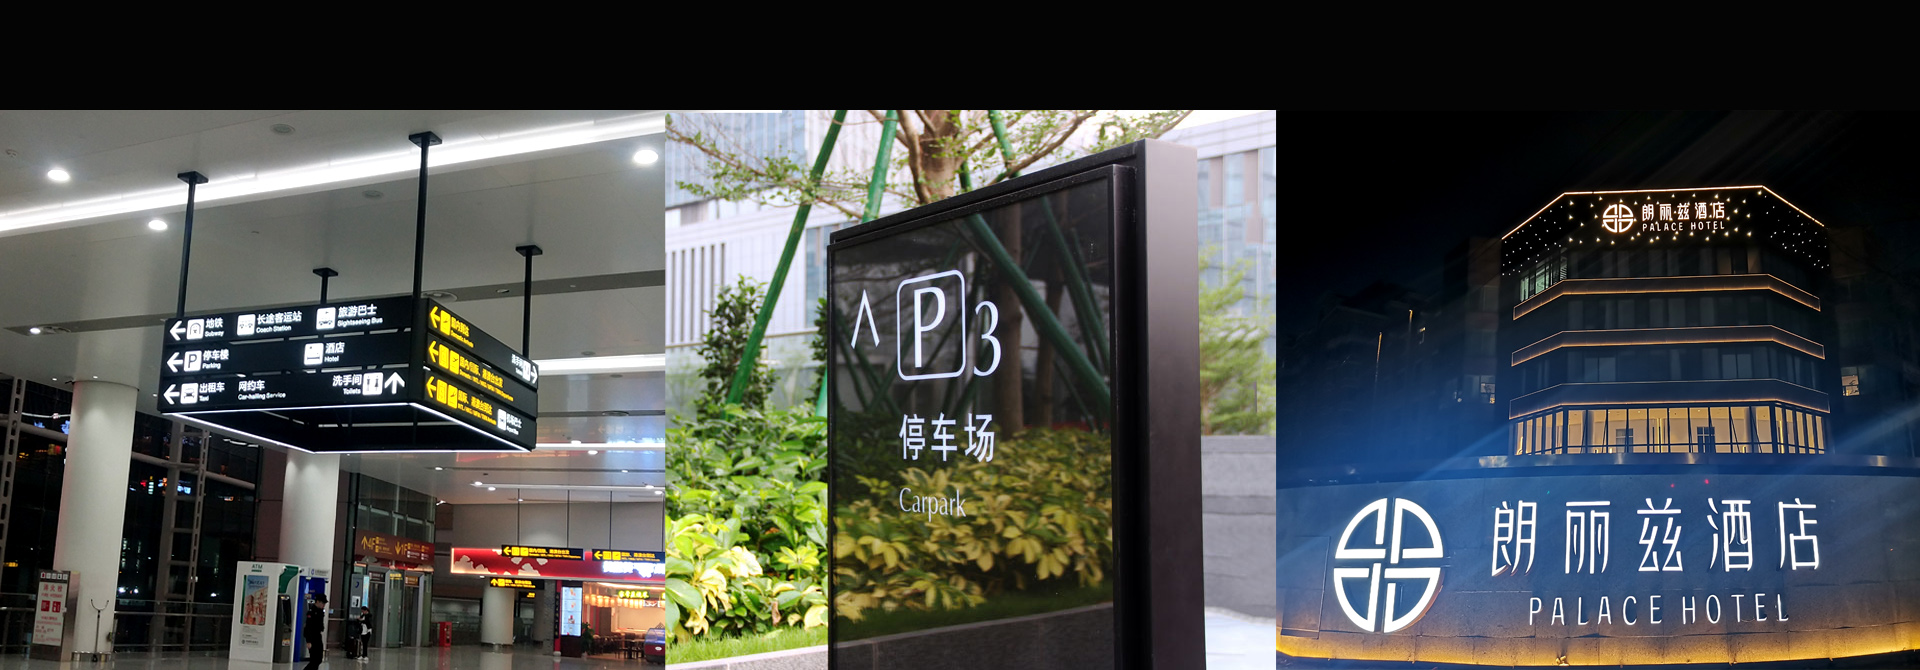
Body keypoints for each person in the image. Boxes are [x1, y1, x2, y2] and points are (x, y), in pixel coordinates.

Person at [302, 593, 327, 670]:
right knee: (314, 660)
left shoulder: (320, 612)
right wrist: (308, 641)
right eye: (322, 603)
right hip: (312, 638)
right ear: (317, 601)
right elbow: (308, 627)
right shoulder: (312, 612)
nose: (324, 605)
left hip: (318, 636)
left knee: (318, 659)